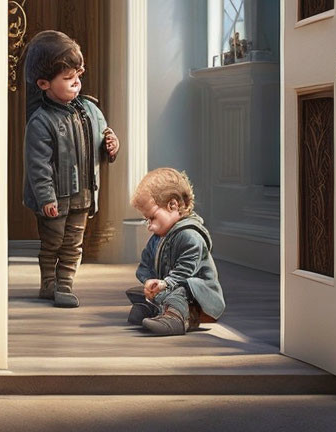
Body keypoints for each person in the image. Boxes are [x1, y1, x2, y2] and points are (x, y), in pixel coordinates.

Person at [22, 30, 119, 308]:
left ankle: (64, 285)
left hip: (83, 195)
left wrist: (112, 145)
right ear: (43, 83)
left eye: (78, 75)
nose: (76, 83)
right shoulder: (40, 122)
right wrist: (46, 198)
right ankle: (48, 283)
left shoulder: (90, 109)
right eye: (67, 79)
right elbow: (38, 165)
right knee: (52, 242)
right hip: (54, 199)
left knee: (73, 244)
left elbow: (103, 139)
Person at [126, 167, 225, 335]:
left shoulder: (190, 235)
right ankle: (155, 309)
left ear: (173, 205)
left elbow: (186, 270)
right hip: (170, 285)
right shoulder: (158, 238)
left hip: (198, 296)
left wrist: (165, 283)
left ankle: (176, 319)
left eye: (152, 218)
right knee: (139, 291)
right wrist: (149, 281)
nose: (149, 226)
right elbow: (145, 263)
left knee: (179, 292)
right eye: (146, 220)